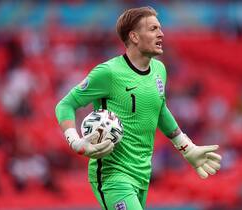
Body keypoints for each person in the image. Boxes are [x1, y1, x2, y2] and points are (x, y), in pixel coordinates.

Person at [55, 6, 222, 210]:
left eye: (160, 28)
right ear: (134, 36)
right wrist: (76, 142)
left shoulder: (159, 70)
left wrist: (186, 147)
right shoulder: (109, 73)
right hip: (113, 175)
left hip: (142, 174)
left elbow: (159, 109)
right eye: (153, 29)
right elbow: (65, 105)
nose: (161, 33)